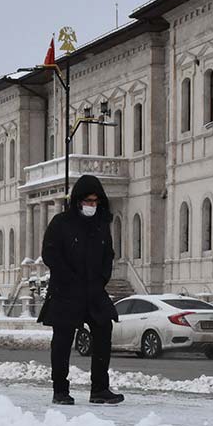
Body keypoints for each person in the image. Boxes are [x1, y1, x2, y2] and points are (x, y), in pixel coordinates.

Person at [37, 174, 125, 405]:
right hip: (66, 292)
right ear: (78, 201)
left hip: (93, 291)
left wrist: (101, 279)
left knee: (104, 331)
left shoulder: (102, 225)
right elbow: (50, 253)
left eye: (95, 202)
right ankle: (60, 390)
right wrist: (67, 277)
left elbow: (108, 255)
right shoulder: (61, 223)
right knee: (63, 340)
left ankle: (100, 388)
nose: (91, 206)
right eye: (88, 201)